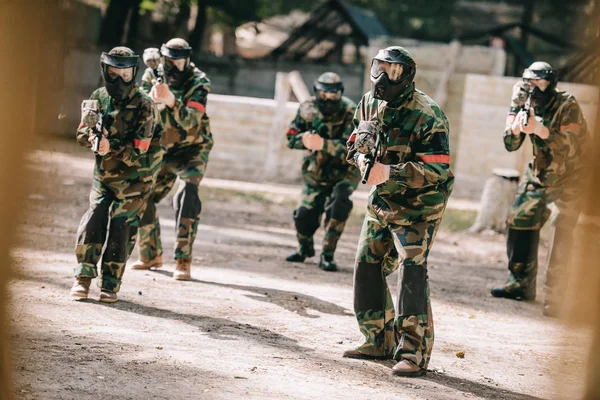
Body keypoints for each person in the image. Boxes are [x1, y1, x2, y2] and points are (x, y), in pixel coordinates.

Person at [343, 46, 453, 377]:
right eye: (377, 67)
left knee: (412, 272)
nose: (381, 76)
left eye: (390, 71)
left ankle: (413, 354)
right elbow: (353, 144)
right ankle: (377, 340)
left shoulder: (427, 114)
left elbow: (438, 170)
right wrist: (362, 160)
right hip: (383, 201)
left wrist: (390, 172)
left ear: (405, 76)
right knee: (367, 264)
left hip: (421, 205)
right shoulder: (368, 102)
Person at [491, 62, 590, 317]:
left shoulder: (567, 105)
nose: (534, 90)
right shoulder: (521, 99)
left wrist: (540, 130)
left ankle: (557, 297)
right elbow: (510, 143)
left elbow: (571, 146)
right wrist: (516, 127)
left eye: (540, 84)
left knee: (562, 229)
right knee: (520, 217)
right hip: (541, 173)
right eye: (529, 84)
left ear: (551, 83)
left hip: (573, 176)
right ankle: (520, 284)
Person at [70, 47, 158, 303]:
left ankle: (110, 284)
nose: (119, 79)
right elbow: (81, 132)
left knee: (122, 227)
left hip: (136, 179)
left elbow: (139, 151)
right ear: (105, 71)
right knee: (94, 219)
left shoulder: (145, 104)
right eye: (114, 72)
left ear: (134, 74)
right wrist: (92, 138)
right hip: (105, 176)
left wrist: (111, 146)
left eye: (125, 74)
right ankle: (83, 278)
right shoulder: (98, 96)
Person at [130, 38, 214, 281]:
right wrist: (151, 101)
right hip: (162, 147)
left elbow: (192, 120)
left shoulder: (199, 81)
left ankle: (183, 260)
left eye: (179, 62)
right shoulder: (152, 74)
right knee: (144, 194)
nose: (173, 66)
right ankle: (150, 255)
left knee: (188, 193)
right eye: (169, 61)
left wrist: (170, 101)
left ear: (187, 61)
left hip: (193, 148)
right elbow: (138, 110)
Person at [285, 72, 360, 272]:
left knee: (339, 204)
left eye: (333, 94)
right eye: (323, 93)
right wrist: (303, 140)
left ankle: (327, 255)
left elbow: (353, 149)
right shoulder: (307, 109)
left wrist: (323, 144)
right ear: (316, 91)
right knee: (303, 215)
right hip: (315, 172)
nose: (327, 98)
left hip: (344, 173)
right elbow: (290, 137)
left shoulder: (350, 111)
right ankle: (304, 249)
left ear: (340, 93)